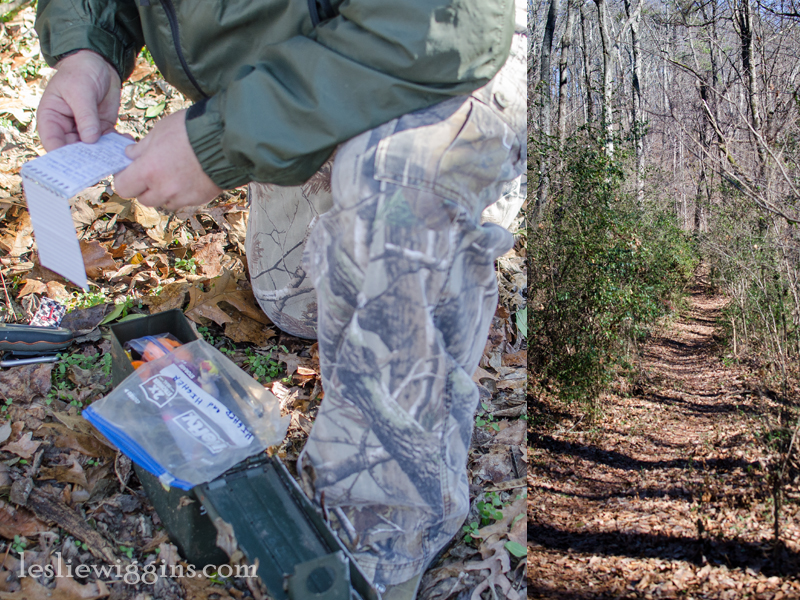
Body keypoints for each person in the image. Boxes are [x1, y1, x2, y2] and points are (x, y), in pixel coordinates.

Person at [34, 1, 527, 597]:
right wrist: (89, 46)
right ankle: (364, 207)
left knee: (395, 213)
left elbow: (445, 27)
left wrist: (224, 142)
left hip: (450, 53)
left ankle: (385, 525)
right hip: (299, 58)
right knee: (296, 302)